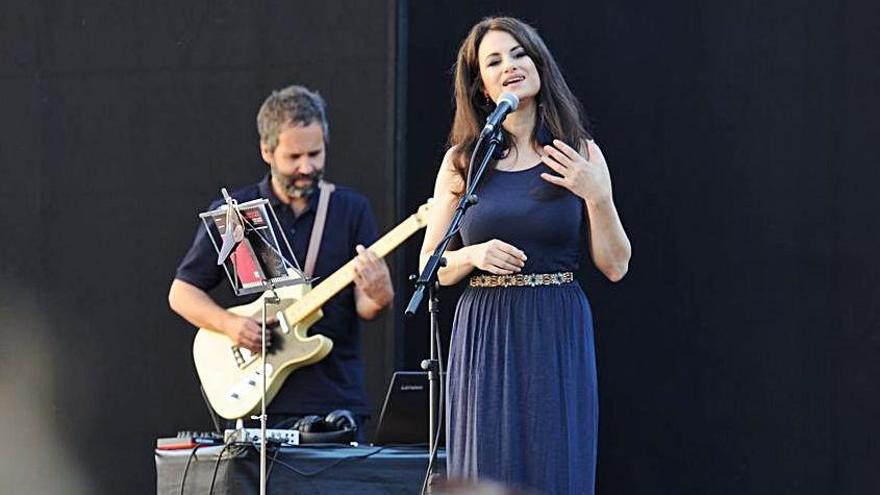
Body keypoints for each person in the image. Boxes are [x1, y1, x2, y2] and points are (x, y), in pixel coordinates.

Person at [419, 17, 631, 494]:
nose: (510, 66)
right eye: (494, 61)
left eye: (519, 54)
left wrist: (598, 197)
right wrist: (473, 253)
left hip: (553, 324)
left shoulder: (580, 153)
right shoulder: (463, 162)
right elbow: (430, 267)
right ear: (481, 86)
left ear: (539, 64)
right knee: (486, 463)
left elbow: (616, 265)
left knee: (554, 458)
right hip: (485, 330)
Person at [168, 85, 394, 439]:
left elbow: (366, 308)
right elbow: (182, 292)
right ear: (266, 151)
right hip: (260, 399)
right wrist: (229, 325)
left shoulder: (351, 209)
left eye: (315, 154)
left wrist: (380, 295)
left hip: (335, 398)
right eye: (294, 157)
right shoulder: (237, 213)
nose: (307, 167)